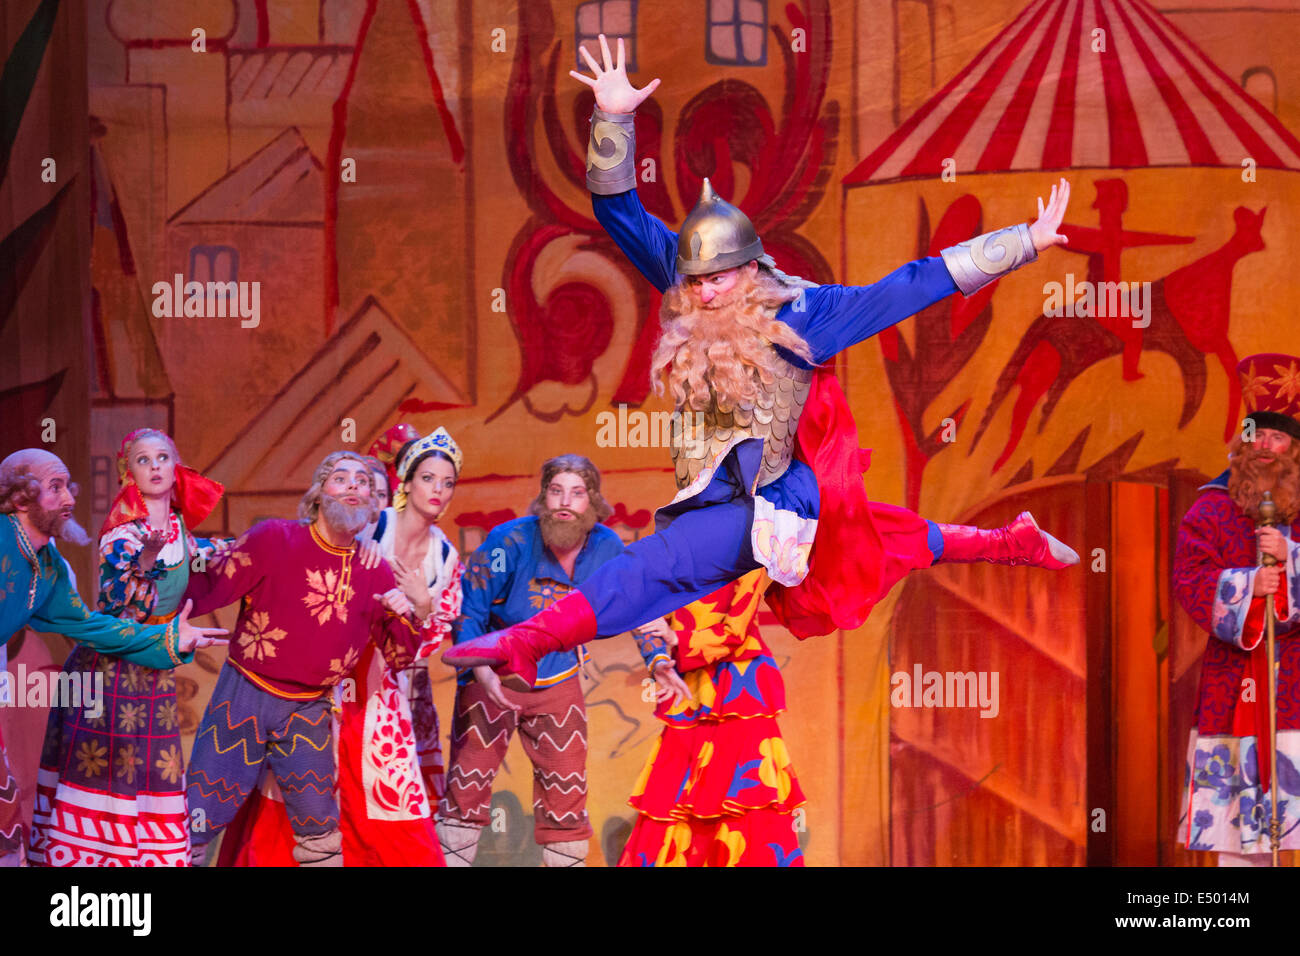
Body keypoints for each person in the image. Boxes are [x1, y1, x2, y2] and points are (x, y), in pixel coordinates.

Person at [445, 38, 1078, 688]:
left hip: (778, 500)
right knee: (891, 538)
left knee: (657, 567)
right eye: (694, 281)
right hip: (716, 497)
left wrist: (1023, 242)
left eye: (717, 281)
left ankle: (529, 641)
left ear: (750, 269)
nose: (703, 293)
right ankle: (1011, 543)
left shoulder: (809, 313)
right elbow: (618, 210)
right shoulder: (685, 278)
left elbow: (909, 285)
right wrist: (613, 119)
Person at [217, 429, 465, 866]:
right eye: (428, 478)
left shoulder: (444, 556)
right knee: (304, 792)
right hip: (329, 675)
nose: (438, 491)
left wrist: (420, 607)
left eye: (447, 483)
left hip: (385, 691)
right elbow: (320, 554)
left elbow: (423, 643)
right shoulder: (372, 524)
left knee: (388, 798)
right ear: (406, 482)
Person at [436, 454, 682, 867]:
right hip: (491, 676)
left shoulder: (605, 546)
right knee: (467, 789)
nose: (565, 501)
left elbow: (636, 604)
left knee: (566, 794)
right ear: (543, 498)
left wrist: (657, 660)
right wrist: (481, 674)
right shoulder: (507, 542)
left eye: (577, 493)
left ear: (593, 502)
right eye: (556, 491)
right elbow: (470, 610)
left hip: (558, 678)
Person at [0, 448, 227, 867]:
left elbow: (91, 626)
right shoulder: (5, 541)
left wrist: (171, 639)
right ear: (20, 500)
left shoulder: (48, 567)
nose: (69, 498)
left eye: (68, 486)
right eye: (55, 488)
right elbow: (117, 595)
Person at [1174, 352, 1300, 864]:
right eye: (1256, 435)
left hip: (1296, 677)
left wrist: (1290, 565)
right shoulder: (1210, 507)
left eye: (1277, 436)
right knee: (1239, 847)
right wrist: (1251, 586)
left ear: (1294, 447)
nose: (1265, 446)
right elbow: (1190, 579)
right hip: (1234, 681)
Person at [620, 569, 805, 866]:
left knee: (743, 799)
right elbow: (643, 614)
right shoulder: (671, 554)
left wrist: (674, 636)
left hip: (740, 688)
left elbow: (735, 631)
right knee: (676, 800)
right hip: (690, 685)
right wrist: (656, 659)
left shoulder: (746, 553)